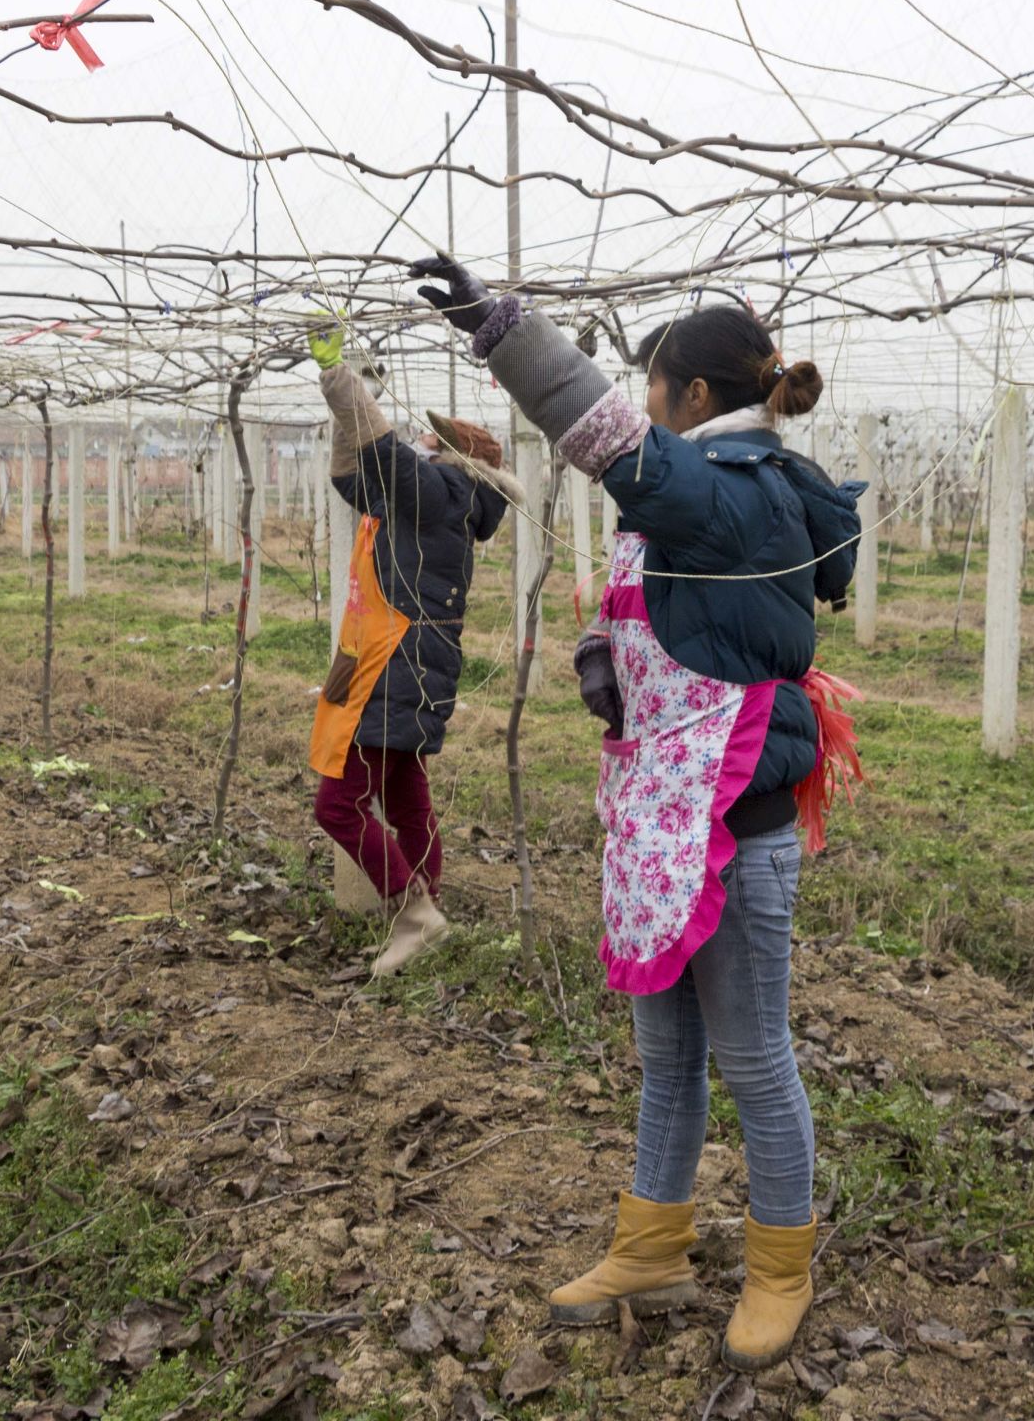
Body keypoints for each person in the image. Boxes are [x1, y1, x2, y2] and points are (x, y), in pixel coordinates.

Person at [412, 260, 863, 1372]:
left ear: (692, 399)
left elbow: (597, 431)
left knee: (755, 1056)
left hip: (732, 827)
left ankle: (777, 1269)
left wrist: (502, 333)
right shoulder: (726, 495)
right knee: (667, 1061)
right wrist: (607, 652)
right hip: (664, 808)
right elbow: (679, 606)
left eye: (655, 387)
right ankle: (651, 1246)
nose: (646, 406)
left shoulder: (736, 488)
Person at [306, 319, 519, 977]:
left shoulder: (438, 493)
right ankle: (430, 911)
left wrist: (337, 376)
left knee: (337, 805)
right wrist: (349, 404)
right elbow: (353, 471)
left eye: (430, 436)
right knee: (403, 795)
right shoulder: (427, 499)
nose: (420, 439)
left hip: (393, 667)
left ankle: (415, 914)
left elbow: (380, 449)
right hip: (393, 665)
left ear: (453, 454)